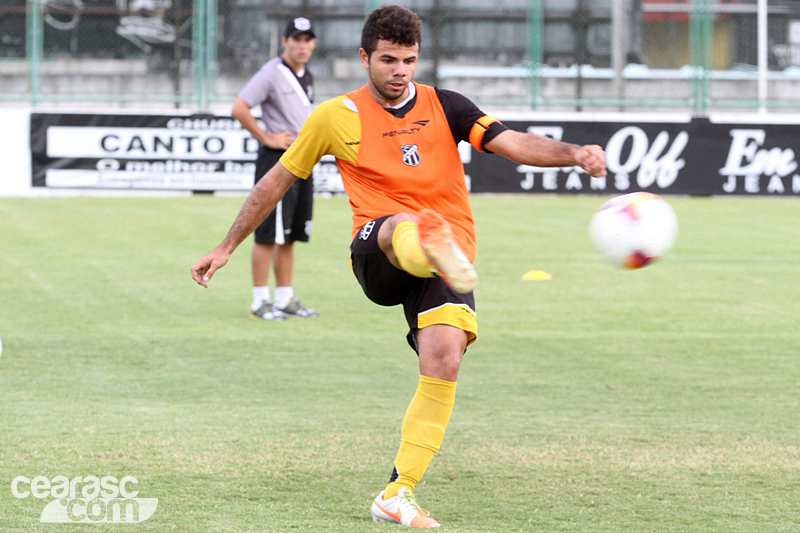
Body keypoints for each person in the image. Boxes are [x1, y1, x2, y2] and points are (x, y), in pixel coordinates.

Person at [192, 5, 606, 528]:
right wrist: (226, 246)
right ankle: (426, 239)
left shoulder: (447, 106)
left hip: (443, 267)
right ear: (365, 58)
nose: (399, 71)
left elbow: (515, 143)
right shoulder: (334, 115)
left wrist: (575, 153)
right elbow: (277, 180)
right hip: (379, 251)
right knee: (402, 225)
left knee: (445, 358)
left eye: (408, 60)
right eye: (387, 60)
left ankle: (397, 492)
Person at [231, 16, 319, 320]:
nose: (302, 45)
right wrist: (267, 137)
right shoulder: (271, 73)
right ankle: (260, 300)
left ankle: (284, 297)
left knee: (291, 233)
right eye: (297, 39)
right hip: (278, 161)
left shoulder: (307, 74)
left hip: (303, 159)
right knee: (268, 233)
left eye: (308, 39)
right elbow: (239, 107)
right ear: (285, 42)